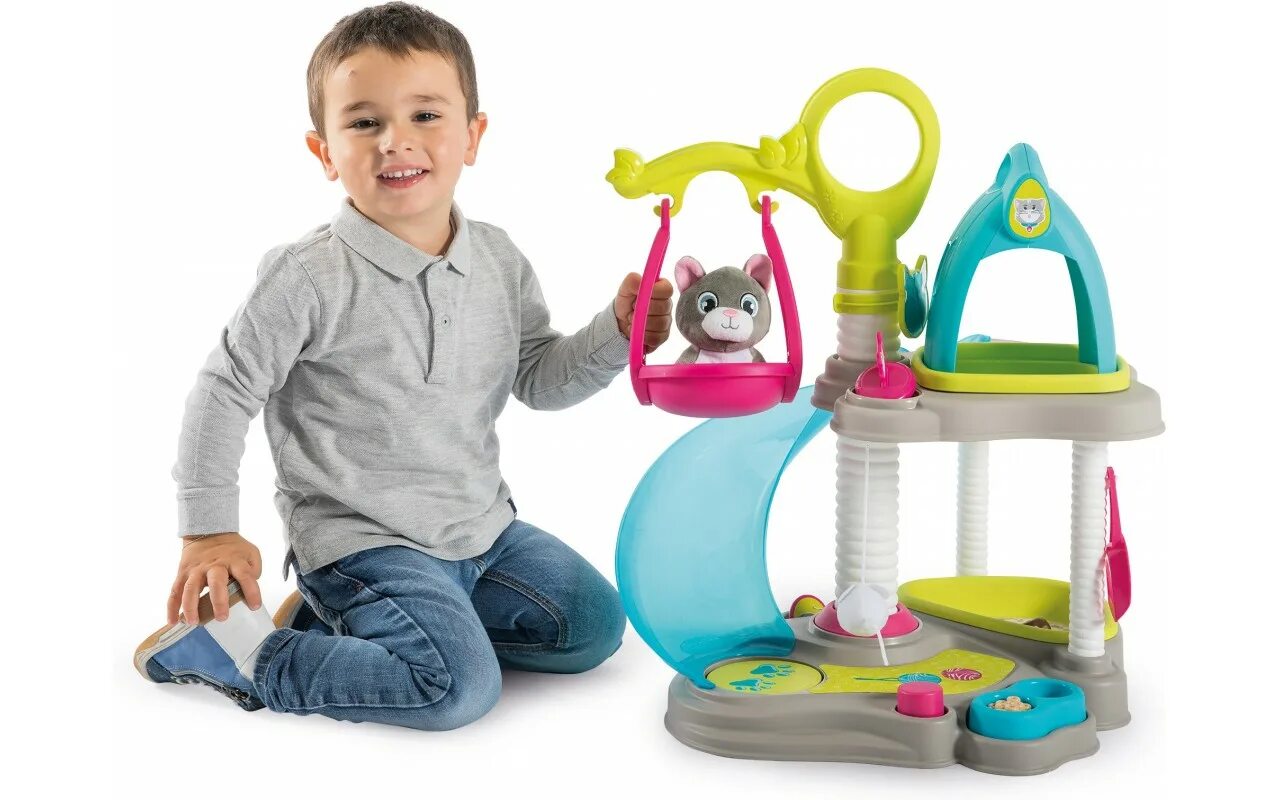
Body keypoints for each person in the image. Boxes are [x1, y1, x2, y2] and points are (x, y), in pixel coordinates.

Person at [133, 2, 674, 730]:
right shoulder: (308, 276)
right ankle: (246, 653)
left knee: (591, 628)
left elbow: (539, 379)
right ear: (325, 151)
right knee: (456, 689)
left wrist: (616, 333)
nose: (396, 140)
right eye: (364, 122)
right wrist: (209, 532)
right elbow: (223, 392)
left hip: (482, 531)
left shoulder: (499, 257)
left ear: (472, 135)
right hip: (363, 541)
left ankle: (354, 627)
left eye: (425, 115)